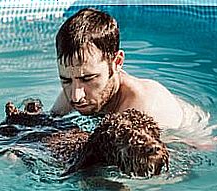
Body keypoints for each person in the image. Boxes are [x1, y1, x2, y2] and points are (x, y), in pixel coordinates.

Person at [50, 7, 185, 129]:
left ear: (117, 62)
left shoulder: (146, 108)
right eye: (66, 80)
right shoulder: (77, 86)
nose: (76, 97)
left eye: (88, 79)